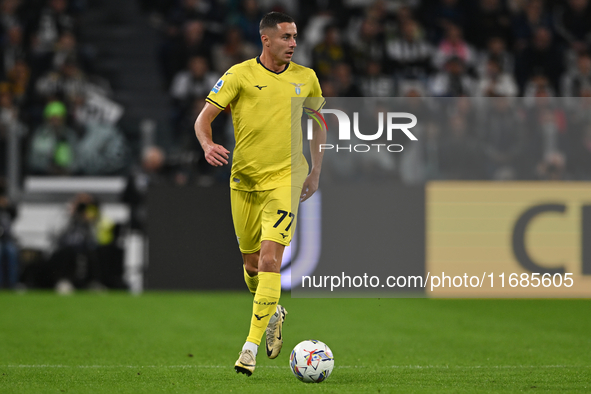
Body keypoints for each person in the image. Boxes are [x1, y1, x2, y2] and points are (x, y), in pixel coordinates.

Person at [194, 12, 326, 376]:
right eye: (286, 37)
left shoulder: (306, 78)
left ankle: (249, 349)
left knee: (271, 261)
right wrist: (206, 144)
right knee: (252, 266)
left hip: (286, 179)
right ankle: (272, 312)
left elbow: (318, 122)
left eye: (295, 37)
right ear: (266, 40)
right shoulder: (239, 75)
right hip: (245, 182)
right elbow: (203, 119)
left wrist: (314, 170)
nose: (293, 44)